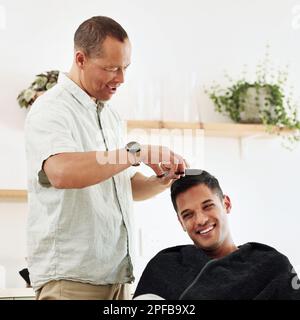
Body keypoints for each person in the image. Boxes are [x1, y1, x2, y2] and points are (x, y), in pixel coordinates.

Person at [24, 16, 187, 300]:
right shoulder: (51, 109)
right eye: (111, 68)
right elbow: (61, 172)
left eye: (125, 68)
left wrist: (162, 181)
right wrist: (138, 152)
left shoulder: (110, 117)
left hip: (116, 279)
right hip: (71, 281)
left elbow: (126, 186)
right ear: (81, 59)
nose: (121, 79)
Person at [133, 170, 300, 300]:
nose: (201, 220)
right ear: (181, 222)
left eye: (208, 206)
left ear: (226, 204)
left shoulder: (270, 264)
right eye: (188, 215)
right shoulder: (165, 267)